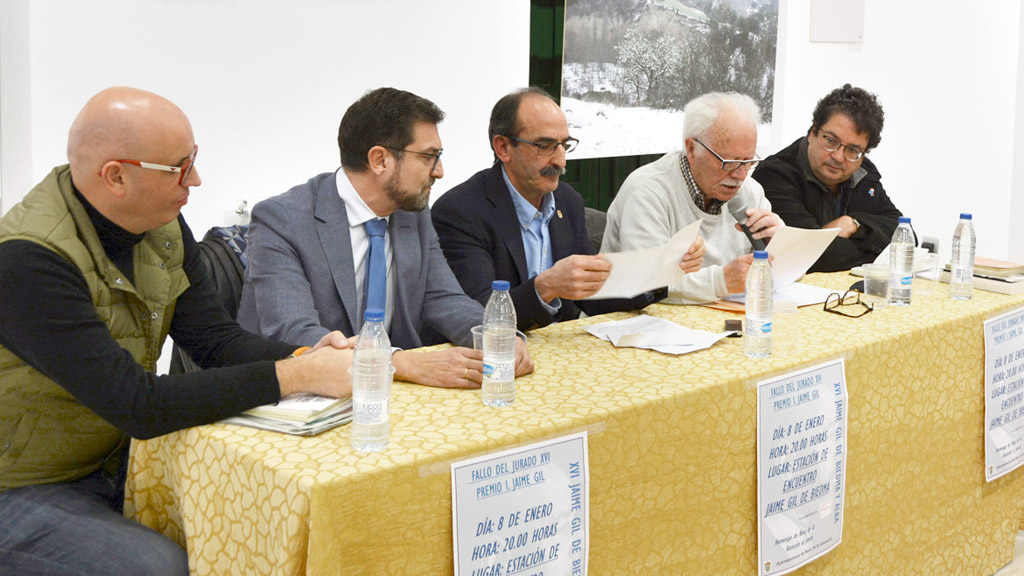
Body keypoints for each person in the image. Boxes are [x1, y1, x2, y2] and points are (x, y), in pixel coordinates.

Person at [0, 87, 356, 575]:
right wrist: (297, 377)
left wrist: (309, 355)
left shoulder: (161, 225)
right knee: (157, 566)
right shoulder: (28, 261)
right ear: (116, 176)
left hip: (115, 458)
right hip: (22, 481)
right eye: (179, 168)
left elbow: (215, 342)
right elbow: (138, 405)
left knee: (252, 518)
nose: (197, 179)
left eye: (193, 160)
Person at [237, 87, 532, 388]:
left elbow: (443, 298)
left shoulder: (412, 212)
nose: (440, 171)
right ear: (379, 160)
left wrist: (497, 336)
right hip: (295, 397)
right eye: (429, 157)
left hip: (386, 393)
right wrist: (397, 362)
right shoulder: (282, 220)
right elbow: (295, 332)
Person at [431, 87, 704, 331]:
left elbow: (591, 295)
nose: (561, 160)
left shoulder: (567, 201)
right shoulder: (461, 211)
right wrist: (545, 288)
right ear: (503, 147)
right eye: (545, 146)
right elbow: (481, 314)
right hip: (499, 358)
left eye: (564, 145)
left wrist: (661, 272)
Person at [601, 92, 783, 304]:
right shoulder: (647, 192)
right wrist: (720, 281)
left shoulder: (750, 191)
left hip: (720, 321)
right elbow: (649, 285)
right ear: (691, 149)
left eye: (748, 161)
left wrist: (779, 244)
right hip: (636, 325)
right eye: (728, 162)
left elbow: (781, 275)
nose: (740, 175)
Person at [752, 84, 901, 272]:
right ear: (813, 131)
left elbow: (904, 234)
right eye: (830, 141)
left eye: (853, 150)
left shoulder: (864, 174)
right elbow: (813, 256)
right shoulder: (775, 175)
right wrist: (875, 250)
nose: (838, 157)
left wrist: (855, 224)